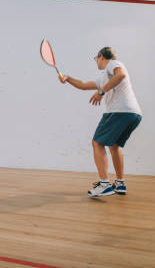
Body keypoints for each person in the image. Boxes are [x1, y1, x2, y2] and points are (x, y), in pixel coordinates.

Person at [59, 47, 142, 197]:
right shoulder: (104, 77)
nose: (96, 62)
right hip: (133, 114)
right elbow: (84, 85)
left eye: (96, 58)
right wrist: (68, 78)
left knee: (97, 143)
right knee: (115, 146)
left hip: (119, 111)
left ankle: (104, 184)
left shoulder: (113, 64)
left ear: (101, 56)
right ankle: (120, 183)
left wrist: (101, 92)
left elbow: (121, 75)